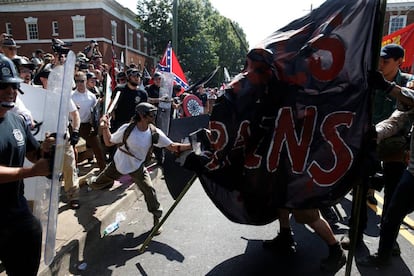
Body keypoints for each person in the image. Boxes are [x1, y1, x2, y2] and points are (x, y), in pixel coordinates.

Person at [341, 44, 412, 252]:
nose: (381, 64)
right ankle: (354, 232)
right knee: (360, 189)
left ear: (399, 62)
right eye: (379, 59)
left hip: (395, 145)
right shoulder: (369, 80)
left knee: (394, 196)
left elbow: (406, 105)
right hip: (369, 141)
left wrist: (389, 87)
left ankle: (389, 239)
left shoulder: (408, 83)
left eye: (386, 61)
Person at [89, 102, 192, 234]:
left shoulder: (154, 133)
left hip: (137, 167)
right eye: (151, 114)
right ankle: (88, 181)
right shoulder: (127, 129)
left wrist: (191, 146)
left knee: (150, 191)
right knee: (96, 184)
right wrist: (105, 127)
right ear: (142, 116)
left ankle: (157, 220)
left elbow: (172, 146)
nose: (154, 116)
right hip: (118, 164)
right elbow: (109, 141)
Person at [0, 53, 52, 276]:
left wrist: (47, 150)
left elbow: (33, 153)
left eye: (13, 86)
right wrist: (32, 172)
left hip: (16, 209)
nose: (11, 91)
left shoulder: (16, 119)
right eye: (3, 86)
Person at [357, 68, 414, 267]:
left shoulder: (406, 88)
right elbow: (395, 120)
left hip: (403, 160)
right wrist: (374, 133)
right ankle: (383, 255)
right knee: (392, 215)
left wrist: (389, 87)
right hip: (412, 172)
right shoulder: (408, 99)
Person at [263, 208, 346, 272]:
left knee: (308, 214)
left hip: (303, 187)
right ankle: (285, 236)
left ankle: (337, 251)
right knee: (282, 203)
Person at [71, 71, 106, 171]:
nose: (79, 84)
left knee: (97, 147)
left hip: (87, 125)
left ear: (86, 81)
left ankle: (103, 171)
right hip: (73, 126)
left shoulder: (92, 96)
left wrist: (96, 125)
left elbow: (95, 113)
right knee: (71, 150)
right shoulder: (71, 95)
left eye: (82, 81)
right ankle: (73, 171)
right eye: (77, 81)